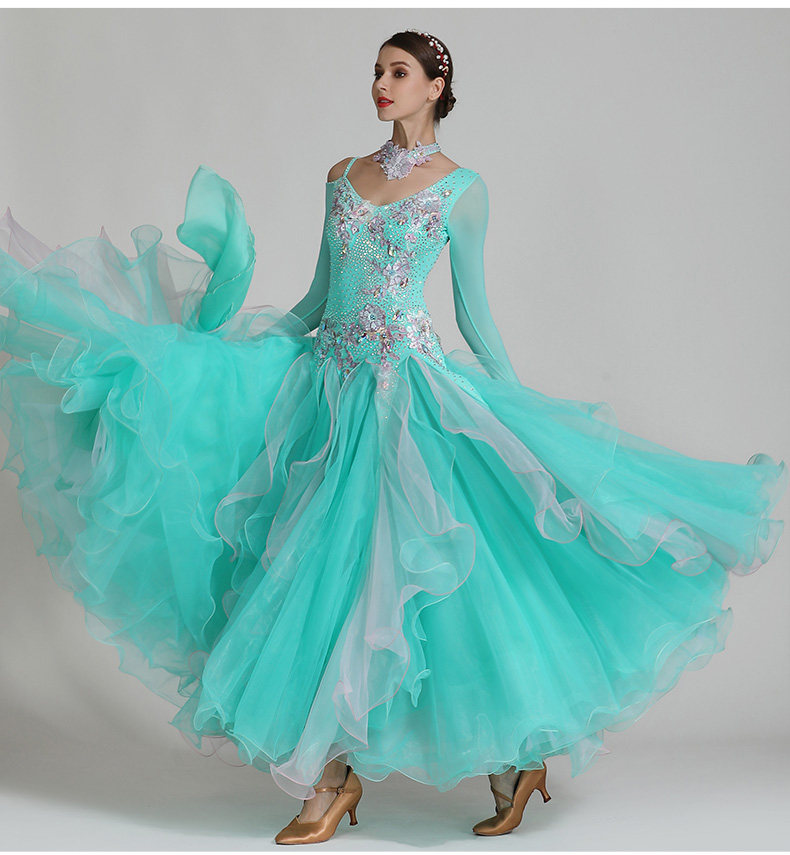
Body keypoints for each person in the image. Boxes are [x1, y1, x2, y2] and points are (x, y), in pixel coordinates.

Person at [0, 28, 786, 846]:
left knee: (446, 589)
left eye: (399, 71)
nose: (381, 82)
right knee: (317, 578)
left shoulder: (464, 190)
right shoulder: (341, 175)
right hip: (326, 399)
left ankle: (513, 755)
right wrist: (217, 355)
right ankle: (330, 776)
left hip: (411, 398)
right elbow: (317, 298)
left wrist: (519, 415)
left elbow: (473, 313)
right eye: (377, 70)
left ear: (436, 85)